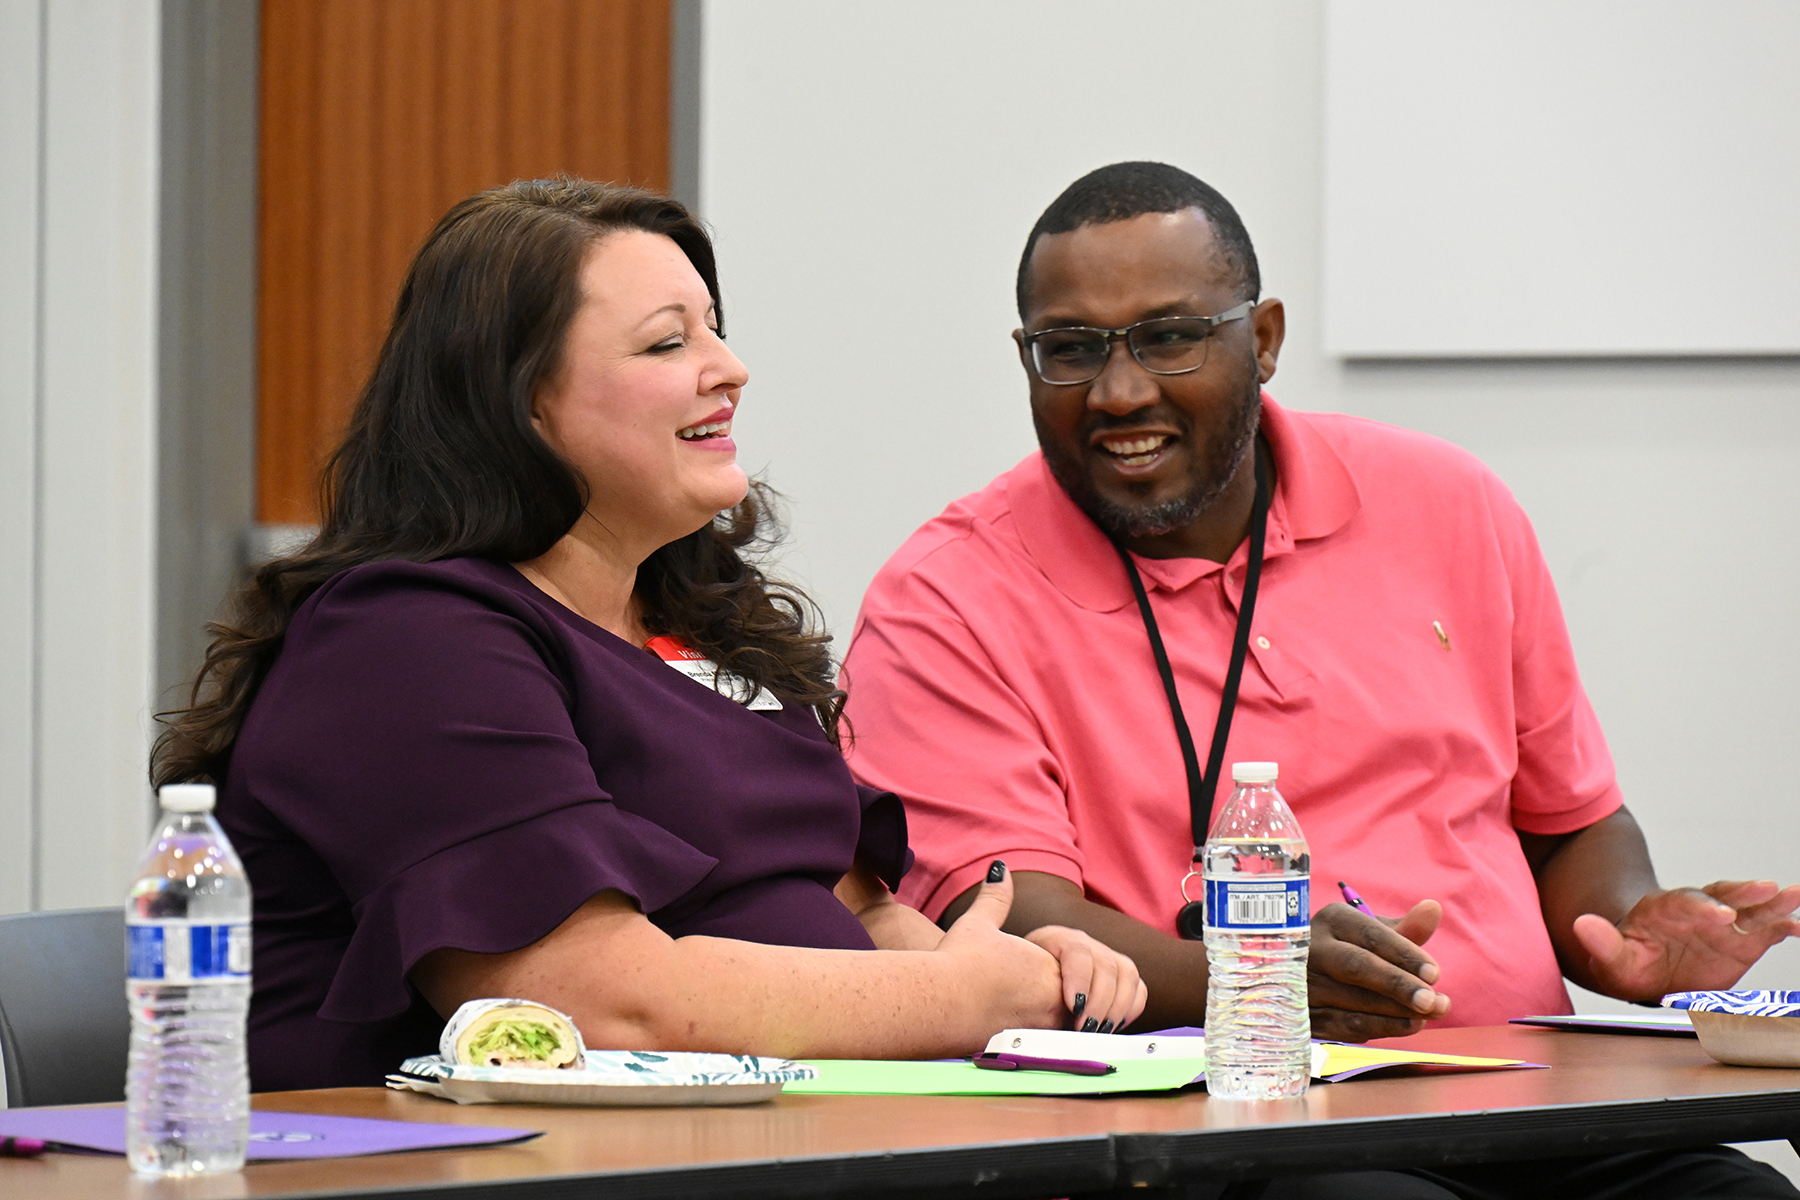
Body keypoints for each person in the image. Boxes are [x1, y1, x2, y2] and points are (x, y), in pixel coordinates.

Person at [840, 162, 1800, 1197]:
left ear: (1263, 341)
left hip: (1530, 1096)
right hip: (1234, 1120)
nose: (1119, 392)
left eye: (1169, 336)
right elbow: (1017, 921)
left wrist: (1624, 926)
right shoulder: (943, 596)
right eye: (1068, 351)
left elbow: (1569, 819)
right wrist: (1268, 984)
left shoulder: (1448, 502)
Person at [151, 178, 1143, 1091]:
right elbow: (592, 999)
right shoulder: (405, 642)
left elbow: (852, 913)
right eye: (669, 344)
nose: (732, 369)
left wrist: (1017, 969)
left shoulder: (708, 622)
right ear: (521, 405)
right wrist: (959, 1000)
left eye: (716, 330)